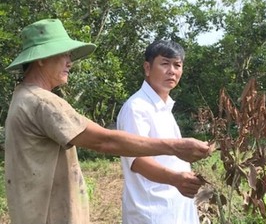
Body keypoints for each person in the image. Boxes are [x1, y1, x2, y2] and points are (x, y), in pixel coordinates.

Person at [4, 19, 211, 224]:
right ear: (41, 58)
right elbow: (105, 141)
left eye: (177, 65)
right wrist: (176, 147)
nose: (70, 62)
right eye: (64, 55)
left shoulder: (24, 97)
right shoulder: (42, 102)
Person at [117, 40, 205, 224]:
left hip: (177, 206)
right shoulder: (137, 108)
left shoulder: (164, 106)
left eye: (177, 65)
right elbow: (137, 160)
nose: (172, 70)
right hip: (152, 211)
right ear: (147, 68)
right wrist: (176, 179)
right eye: (165, 63)